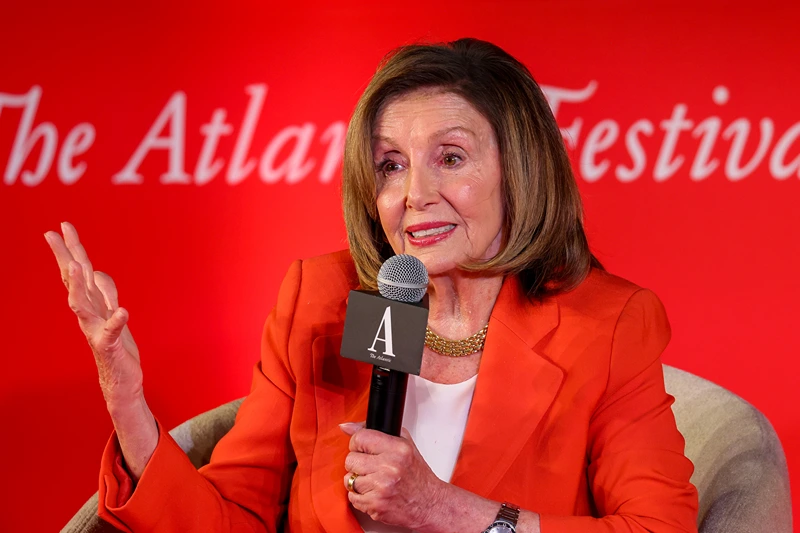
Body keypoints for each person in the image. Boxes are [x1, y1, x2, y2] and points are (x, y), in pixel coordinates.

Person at [46, 38, 698, 533]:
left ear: (521, 169)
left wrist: (448, 508)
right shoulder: (321, 297)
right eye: (391, 165)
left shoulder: (608, 323)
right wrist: (129, 403)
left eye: (450, 157)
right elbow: (232, 515)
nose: (413, 195)